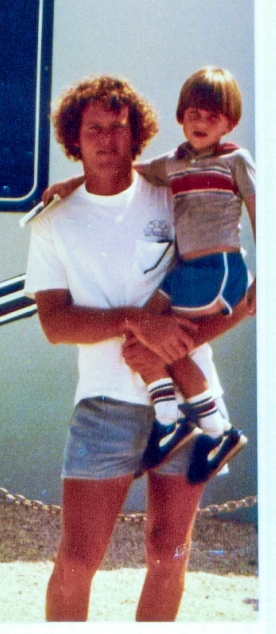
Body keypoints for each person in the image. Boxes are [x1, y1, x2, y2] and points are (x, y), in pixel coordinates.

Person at [24, 75, 252, 622]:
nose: (106, 139)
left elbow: (235, 298)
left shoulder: (175, 195)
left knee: (167, 558)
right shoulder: (53, 220)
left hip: (190, 402)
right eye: (93, 129)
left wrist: (174, 345)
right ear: (73, 140)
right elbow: (55, 323)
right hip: (104, 407)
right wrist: (135, 323)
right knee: (77, 562)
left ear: (137, 136)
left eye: (117, 128)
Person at [42, 67, 254, 482]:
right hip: (113, 390)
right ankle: (202, 427)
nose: (202, 123)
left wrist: (264, 278)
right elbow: (127, 171)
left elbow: (261, 219)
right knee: (145, 340)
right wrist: (72, 184)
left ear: (230, 123)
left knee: (145, 339)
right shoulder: (172, 168)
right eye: (194, 113)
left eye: (214, 116)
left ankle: (184, 423)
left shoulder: (225, 167)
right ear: (180, 116)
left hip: (211, 289)